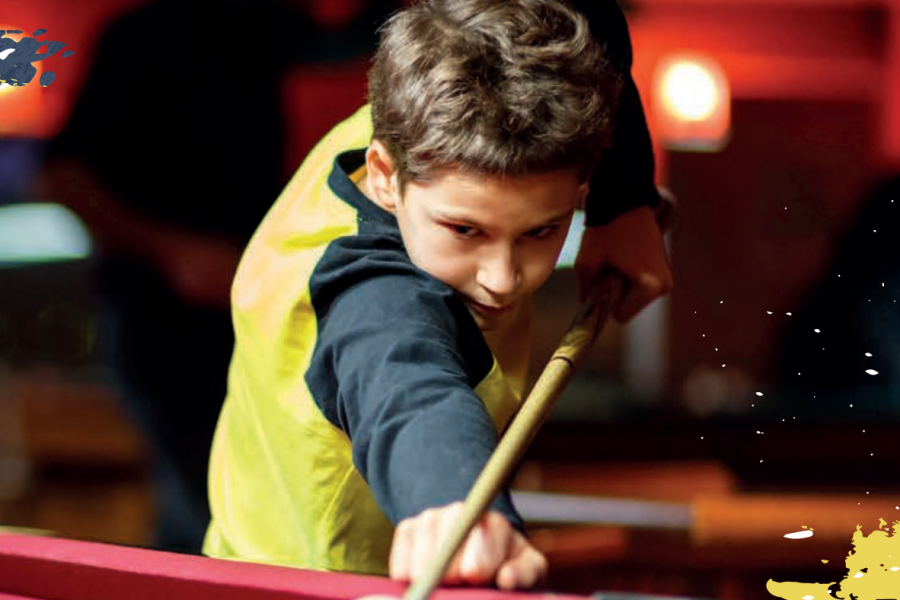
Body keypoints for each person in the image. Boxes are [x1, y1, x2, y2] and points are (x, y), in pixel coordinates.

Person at [204, 0, 671, 589]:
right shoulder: (372, 296)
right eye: (466, 230)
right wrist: (454, 504)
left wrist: (622, 198)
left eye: (542, 231)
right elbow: (408, 389)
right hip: (309, 583)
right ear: (383, 175)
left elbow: (585, 16)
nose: (503, 276)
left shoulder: (427, 116)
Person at [38, 0, 398, 553]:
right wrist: (174, 253)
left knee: (246, 503)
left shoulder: (260, 25)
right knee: (201, 508)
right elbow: (61, 177)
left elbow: (357, 37)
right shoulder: (139, 38)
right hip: (159, 322)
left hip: (251, 310)